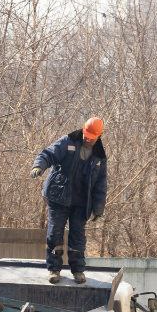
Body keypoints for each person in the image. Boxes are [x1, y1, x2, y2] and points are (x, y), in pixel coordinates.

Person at [31, 117, 107, 284]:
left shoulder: (99, 156)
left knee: (78, 237)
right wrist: (39, 166)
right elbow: (48, 153)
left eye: (91, 137)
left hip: (81, 202)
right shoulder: (68, 141)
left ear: (98, 136)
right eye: (86, 135)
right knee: (55, 233)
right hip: (59, 196)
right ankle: (54, 269)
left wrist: (98, 208)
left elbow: (101, 184)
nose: (87, 138)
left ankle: (78, 270)